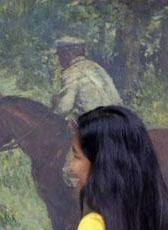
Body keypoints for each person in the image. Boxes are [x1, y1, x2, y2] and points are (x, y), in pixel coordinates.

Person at [51, 36, 123, 187]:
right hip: (120, 121)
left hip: (96, 126)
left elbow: (63, 109)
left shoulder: (71, 73)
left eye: (60, 55)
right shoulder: (96, 68)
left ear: (68, 54)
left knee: (70, 172)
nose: (59, 60)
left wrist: (56, 106)